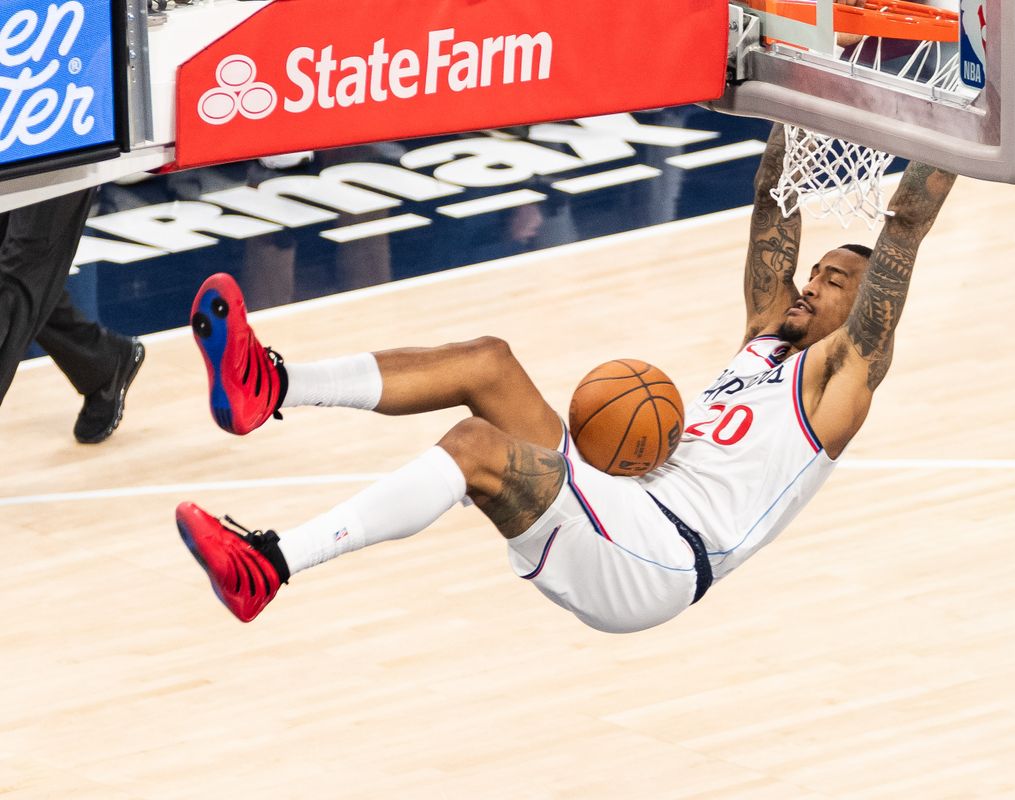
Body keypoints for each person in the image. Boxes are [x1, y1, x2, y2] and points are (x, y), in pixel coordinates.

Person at [175, 124, 956, 632]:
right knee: (488, 360)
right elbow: (773, 199)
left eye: (834, 282)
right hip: (620, 498)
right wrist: (801, 74)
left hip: (657, 556)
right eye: (814, 271)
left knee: (476, 447)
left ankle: (269, 565)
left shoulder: (843, 380)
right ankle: (268, 385)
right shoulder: (763, 340)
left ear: (862, 312)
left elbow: (904, 227)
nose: (811, 283)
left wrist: (966, 112)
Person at [0, 188, 145, 444]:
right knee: (19, 271)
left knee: (19, 270)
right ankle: (100, 362)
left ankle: (101, 363)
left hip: (56, 150)